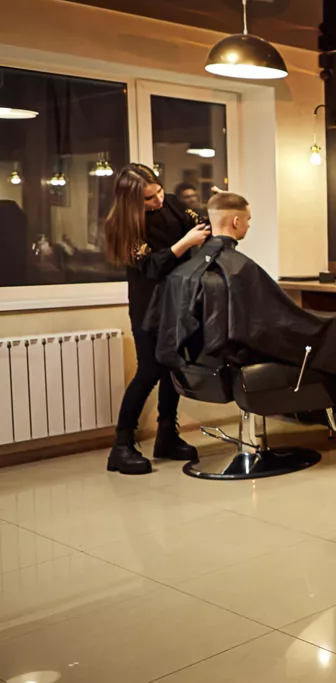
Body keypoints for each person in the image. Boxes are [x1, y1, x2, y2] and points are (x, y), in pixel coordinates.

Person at [149, 192, 336, 403]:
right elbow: (276, 322)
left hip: (207, 361)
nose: (248, 224)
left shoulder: (185, 270)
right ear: (236, 221)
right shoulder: (238, 268)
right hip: (244, 355)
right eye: (248, 219)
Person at [103, 163, 209, 474]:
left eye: (158, 192)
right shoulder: (122, 226)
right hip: (148, 307)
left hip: (179, 302)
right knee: (149, 370)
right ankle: (121, 447)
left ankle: (166, 435)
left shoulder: (173, 203)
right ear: (131, 201)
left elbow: (201, 225)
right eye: (149, 199)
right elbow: (150, 266)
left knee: (171, 368)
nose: (158, 201)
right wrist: (184, 244)